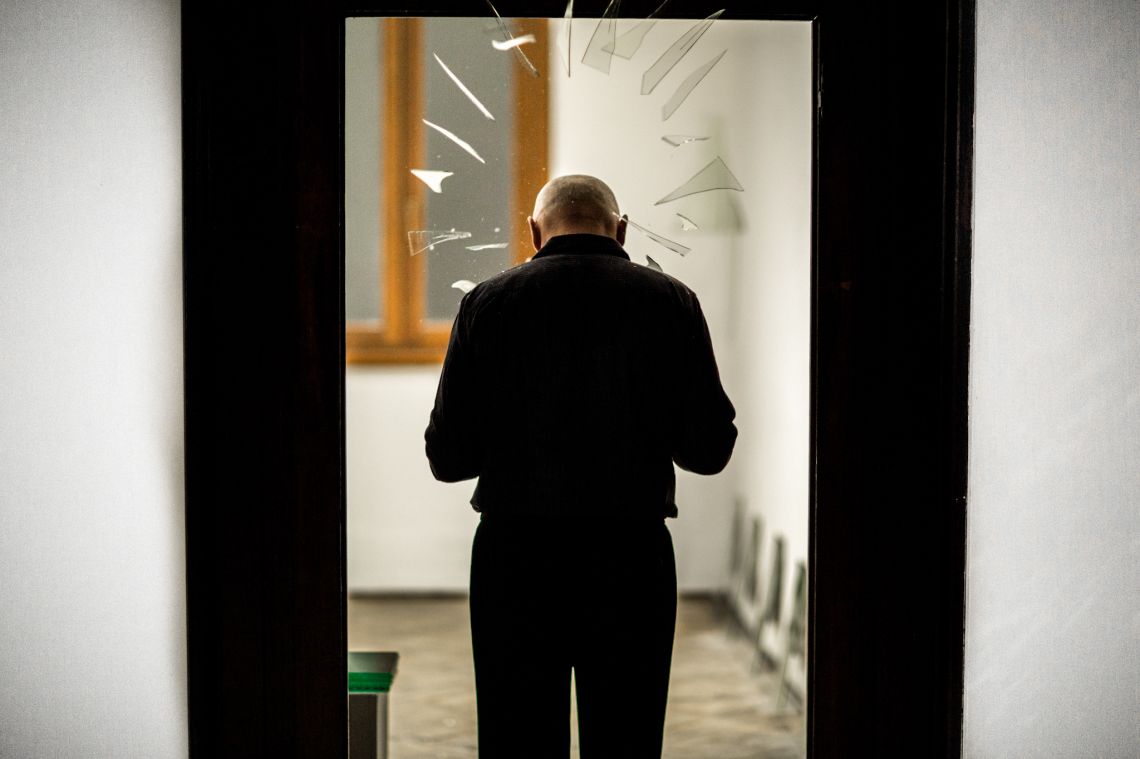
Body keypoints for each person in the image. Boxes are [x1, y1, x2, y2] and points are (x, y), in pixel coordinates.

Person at [425, 175, 736, 758]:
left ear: (534, 232)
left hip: (515, 557)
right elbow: (709, 450)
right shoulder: (671, 302)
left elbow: (448, 459)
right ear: (621, 229)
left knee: (517, 739)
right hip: (631, 556)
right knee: (626, 737)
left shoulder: (486, 304)